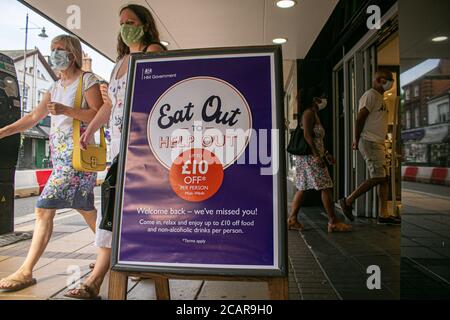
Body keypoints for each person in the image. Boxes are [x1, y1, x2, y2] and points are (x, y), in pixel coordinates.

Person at [64, 4, 166, 300]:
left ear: (145, 25)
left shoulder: (153, 51)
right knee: (128, 208)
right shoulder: (120, 62)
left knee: (112, 204)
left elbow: (157, 95)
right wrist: (91, 128)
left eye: (131, 21)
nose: (124, 27)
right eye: (121, 22)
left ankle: (96, 279)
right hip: (122, 145)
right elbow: (109, 105)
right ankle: (142, 262)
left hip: (142, 145)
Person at [0, 35, 103, 292]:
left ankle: (26, 271)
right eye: (52, 50)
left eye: (60, 50)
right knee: (86, 208)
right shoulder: (55, 87)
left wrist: (67, 110)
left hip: (77, 156)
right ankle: (112, 254)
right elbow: (33, 118)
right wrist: (4, 131)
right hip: (60, 157)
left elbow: (99, 113)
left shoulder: (87, 80)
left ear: (73, 53)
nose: (55, 54)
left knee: (43, 209)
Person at [339, 69, 400, 225]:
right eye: (389, 79)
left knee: (383, 179)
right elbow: (359, 118)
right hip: (370, 141)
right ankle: (348, 200)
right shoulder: (371, 95)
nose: (392, 83)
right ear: (379, 80)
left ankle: (383, 215)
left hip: (378, 142)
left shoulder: (382, 98)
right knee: (379, 177)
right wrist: (356, 139)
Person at [288, 87, 351, 233]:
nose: (323, 100)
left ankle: (292, 219)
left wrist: (326, 153)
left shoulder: (314, 113)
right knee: (326, 187)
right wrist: (317, 156)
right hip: (310, 157)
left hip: (310, 156)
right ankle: (333, 221)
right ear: (314, 99)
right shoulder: (309, 113)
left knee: (303, 187)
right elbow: (307, 136)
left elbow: (317, 140)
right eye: (321, 97)